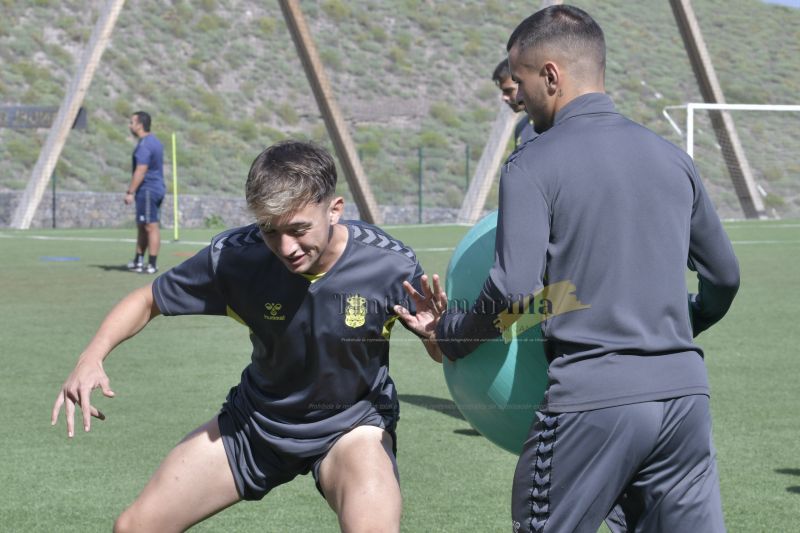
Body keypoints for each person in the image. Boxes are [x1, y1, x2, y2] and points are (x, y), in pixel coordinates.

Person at [397, 5, 739, 532]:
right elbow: (724, 278)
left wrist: (453, 336)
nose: (518, 96)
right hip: (684, 400)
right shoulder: (674, 158)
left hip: (593, 401)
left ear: (551, 75)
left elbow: (514, 288)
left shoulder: (532, 162)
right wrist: (675, 326)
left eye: (521, 80)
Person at [52, 140, 441, 532]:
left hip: (351, 425)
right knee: (135, 528)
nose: (286, 247)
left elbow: (442, 352)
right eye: (270, 230)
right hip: (257, 424)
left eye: (298, 229)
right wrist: (91, 357)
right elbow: (147, 299)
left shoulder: (390, 263)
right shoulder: (237, 257)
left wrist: (433, 336)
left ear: (334, 210)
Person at [125, 111, 165, 274]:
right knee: (143, 225)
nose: (130, 126)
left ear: (140, 125)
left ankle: (152, 264)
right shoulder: (154, 141)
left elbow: (141, 170)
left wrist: (130, 192)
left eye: (132, 122)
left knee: (150, 226)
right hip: (153, 188)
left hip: (148, 189)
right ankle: (138, 261)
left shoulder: (145, 145)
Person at [492, 59, 536, 148]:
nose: (504, 97)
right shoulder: (521, 128)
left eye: (508, 91)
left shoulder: (558, 121)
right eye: (503, 91)